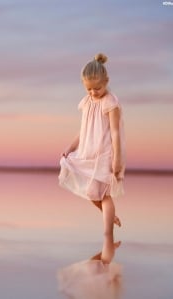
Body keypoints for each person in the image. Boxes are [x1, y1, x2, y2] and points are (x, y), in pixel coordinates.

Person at [58, 53, 125, 264]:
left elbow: (115, 132)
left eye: (97, 88)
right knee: (90, 191)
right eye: (88, 88)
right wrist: (70, 147)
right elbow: (83, 129)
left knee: (104, 194)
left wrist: (117, 158)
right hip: (87, 151)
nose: (93, 92)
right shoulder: (87, 102)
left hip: (104, 153)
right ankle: (110, 217)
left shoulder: (110, 102)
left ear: (106, 82)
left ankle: (107, 234)